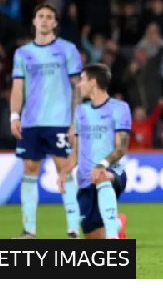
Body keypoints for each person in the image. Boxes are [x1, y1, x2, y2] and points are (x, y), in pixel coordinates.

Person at [10, 4, 82, 239]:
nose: (44, 20)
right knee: (30, 171)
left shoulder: (67, 50)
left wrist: (75, 121)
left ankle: (73, 230)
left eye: (49, 17)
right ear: (33, 21)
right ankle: (29, 231)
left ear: (55, 23)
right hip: (31, 122)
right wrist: (14, 115)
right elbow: (17, 87)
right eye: (40, 16)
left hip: (59, 121)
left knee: (65, 170)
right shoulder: (22, 53)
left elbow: (78, 88)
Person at [58, 63, 130, 239]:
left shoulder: (119, 108)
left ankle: (113, 236)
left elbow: (121, 148)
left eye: (82, 80)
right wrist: (64, 171)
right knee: (94, 238)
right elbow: (77, 150)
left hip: (112, 171)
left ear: (93, 82)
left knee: (101, 176)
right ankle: (118, 224)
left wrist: (102, 164)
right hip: (85, 179)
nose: (79, 85)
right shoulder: (81, 111)